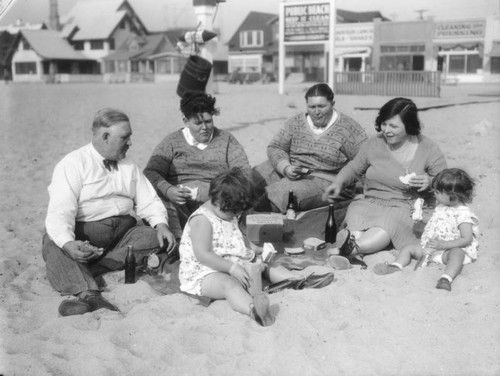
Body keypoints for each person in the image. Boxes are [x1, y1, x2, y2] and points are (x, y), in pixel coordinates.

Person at [43, 108, 177, 317]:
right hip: (85, 234)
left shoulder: (129, 165)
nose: (130, 143)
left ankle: (91, 269)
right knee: (53, 242)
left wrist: (161, 225)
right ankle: (89, 295)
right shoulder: (72, 164)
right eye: (125, 137)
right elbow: (60, 213)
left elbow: (148, 200)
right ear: (105, 136)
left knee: (157, 238)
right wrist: (69, 244)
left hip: (124, 233)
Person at [179, 168, 333, 326]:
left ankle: (298, 281)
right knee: (228, 285)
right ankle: (254, 311)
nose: (235, 216)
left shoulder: (225, 210)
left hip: (232, 262)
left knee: (266, 265)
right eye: (233, 213)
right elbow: (203, 254)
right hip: (205, 272)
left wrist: (253, 248)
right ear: (218, 203)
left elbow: (234, 235)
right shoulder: (202, 220)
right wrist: (232, 268)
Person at [324, 97, 447, 267]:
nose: (386, 131)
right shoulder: (375, 143)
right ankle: (352, 252)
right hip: (371, 201)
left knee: (385, 224)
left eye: (393, 126)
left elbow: (447, 181)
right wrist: (338, 183)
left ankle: (346, 250)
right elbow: (354, 167)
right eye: (384, 124)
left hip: (405, 205)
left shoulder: (428, 147)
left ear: (408, 126)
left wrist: (431, 182)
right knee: (356, 217)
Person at [144, 91, 251, 239]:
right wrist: (168, 190)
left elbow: (244, 173)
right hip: (179, 203)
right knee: (162, 209)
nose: (205, 128)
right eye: (198, 123)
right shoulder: (171, 142)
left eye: (208, 121)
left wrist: (206, 192)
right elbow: (150, 172)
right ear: (185, 120)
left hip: (217, 201)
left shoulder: (226, 140)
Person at [253, 83, 368, 217]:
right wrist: (285, 167)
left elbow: (366, 160)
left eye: (322, 106)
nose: (317, 112)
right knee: (249, 180)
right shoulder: (295, 122)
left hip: (326, 179)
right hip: (292, 167)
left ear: (332, 103)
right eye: (312, 107)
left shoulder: (350, 129)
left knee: (277, 195)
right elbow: (276, 147)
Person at [374, 168, 479, 292]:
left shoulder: (463, 214)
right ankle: (396, 265)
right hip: (432, 248)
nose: (434, 193)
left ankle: (446, 278)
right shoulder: (441, 206)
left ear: (452, 196)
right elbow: (436, 220)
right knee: (409, 248)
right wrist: (421, 217)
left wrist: (443, 245)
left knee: (457, 254)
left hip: (448, 251)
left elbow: (466, 239)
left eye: (438, 192)